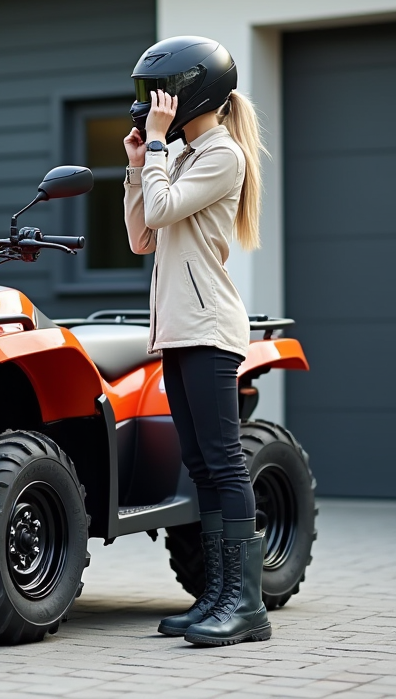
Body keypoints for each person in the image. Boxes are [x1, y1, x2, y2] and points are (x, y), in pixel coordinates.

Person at [122, 36, 270, 647]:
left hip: (209, 330)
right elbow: (140, 237)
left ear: (191, 94)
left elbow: (159, 212)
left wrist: (155, 147)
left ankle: (246, 604)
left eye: (158, 95)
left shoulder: (222, 155)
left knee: (224, 461)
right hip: (181, 333)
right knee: (202, 464)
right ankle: (216, 593)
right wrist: (139, 163)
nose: (150, 106)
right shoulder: (181, 155)